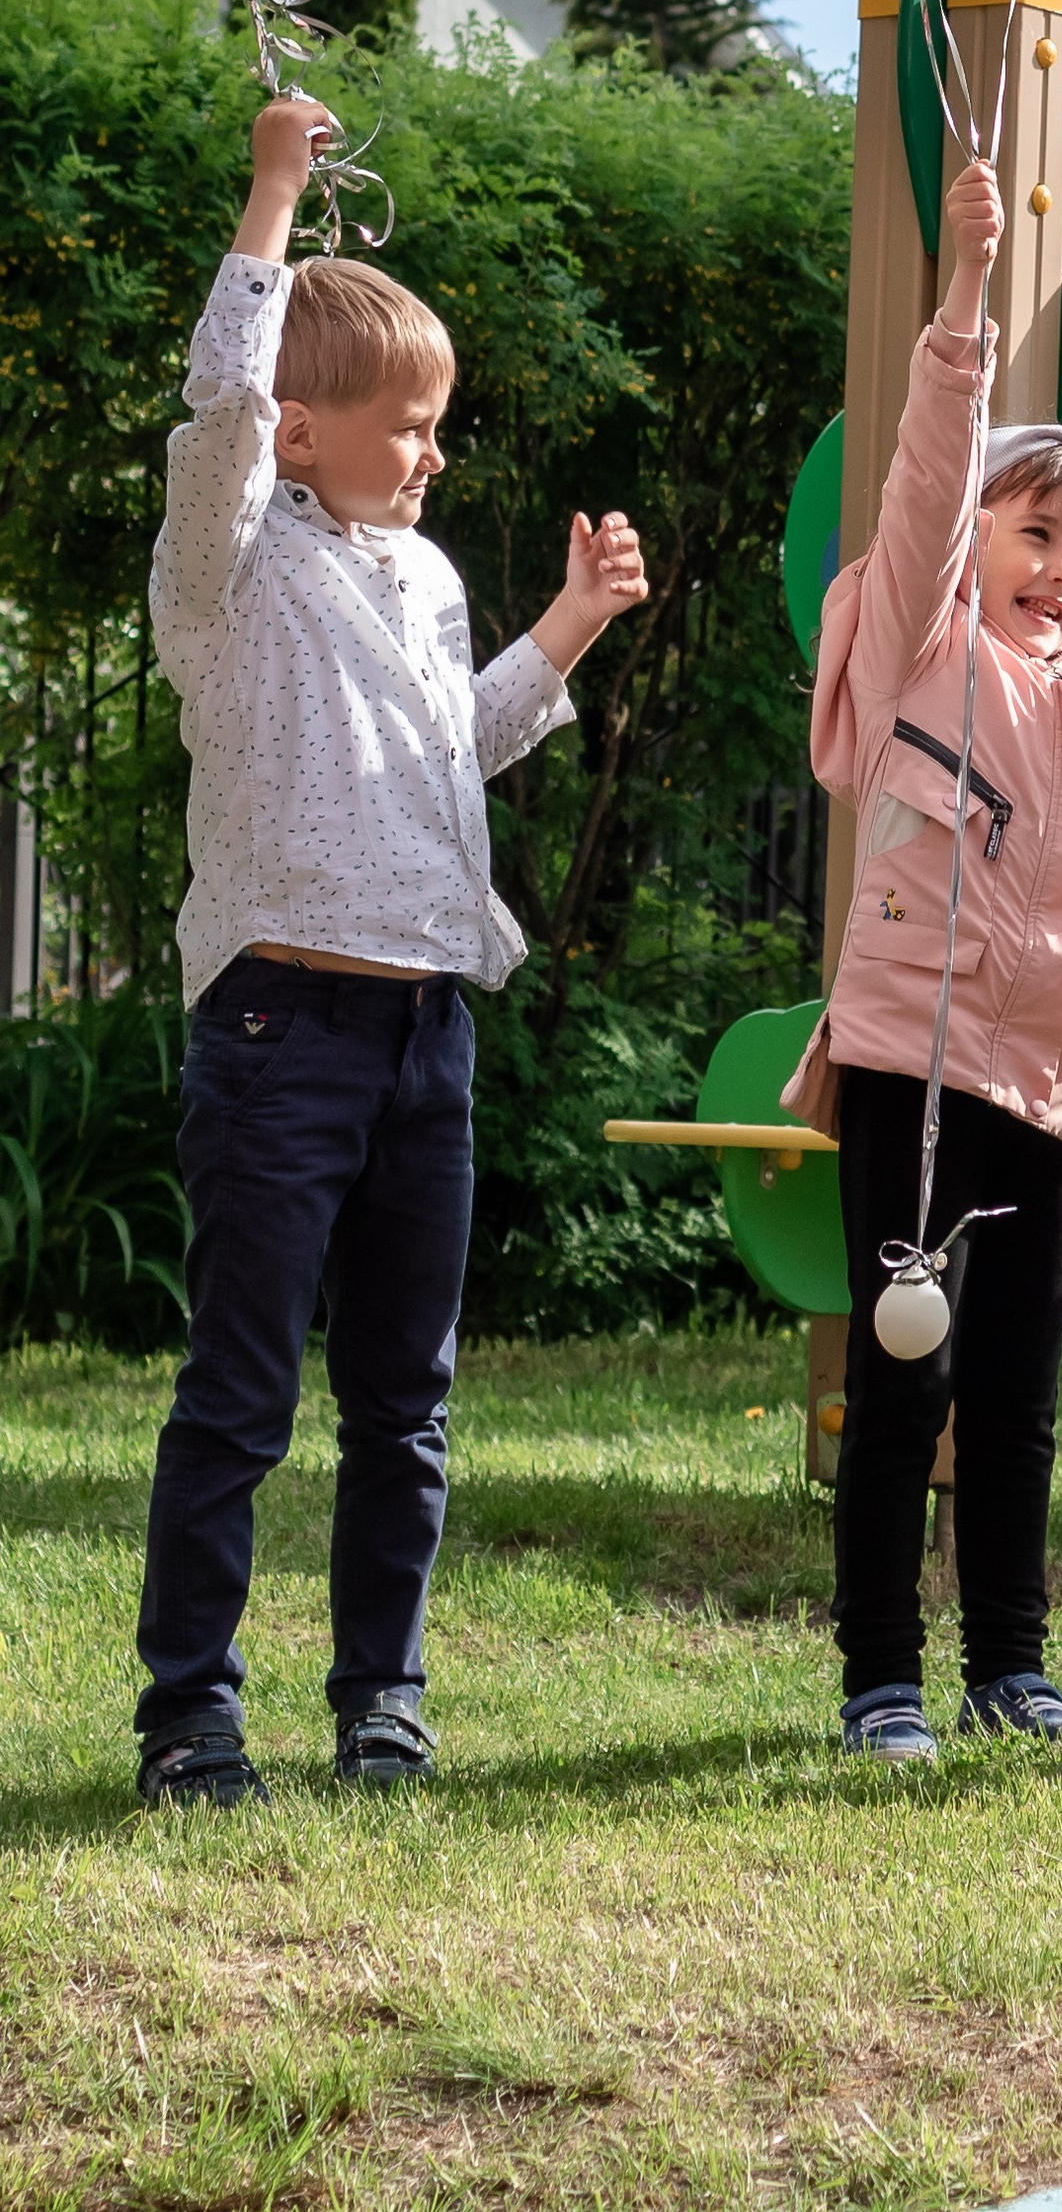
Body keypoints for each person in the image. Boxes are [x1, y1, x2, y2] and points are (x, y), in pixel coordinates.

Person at [137, 93, 648, 1810]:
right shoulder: (223, 569)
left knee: (404, 1403)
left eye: (440, 423)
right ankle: (192, 1715)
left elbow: (455, 754)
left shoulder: (423, 578)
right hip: (282, 1025)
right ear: (298, 431)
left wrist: (567, 624)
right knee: (241, 1394)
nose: (433, 450)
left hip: (428, 1031)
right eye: (409, 423)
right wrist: (277, 190)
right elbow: (219, 397)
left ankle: (382, 1700)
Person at [800, 154, 1062, 1768]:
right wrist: (963, 293)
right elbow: (924, 481)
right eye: (1033, 533)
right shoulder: (918, 643)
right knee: (907, 1384)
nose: (1060, 570)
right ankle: (883, 1675)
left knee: (1016, 1399)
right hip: (918, 1074)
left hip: (1049, 1091)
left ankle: (1009, 1667)